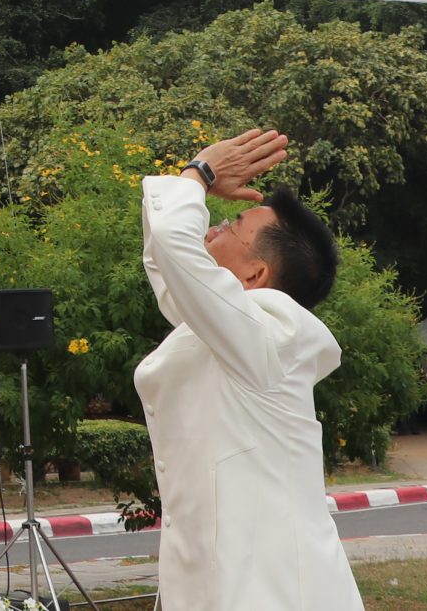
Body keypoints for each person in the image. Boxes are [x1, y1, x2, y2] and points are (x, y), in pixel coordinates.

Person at [134, 127, 360, 610]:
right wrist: (188, 180)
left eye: (230, 226)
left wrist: (200, 172)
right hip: (230, 582)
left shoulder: (272, 332)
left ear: (256, 274)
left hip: (271, 590)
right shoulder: (234, 336)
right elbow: (168, 270)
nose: (212, 228)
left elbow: (178, 254)